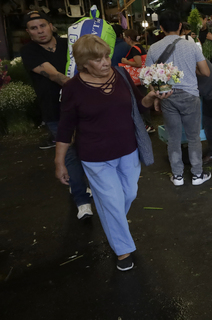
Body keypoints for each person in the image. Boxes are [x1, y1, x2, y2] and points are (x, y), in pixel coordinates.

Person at [55, 34, 168, 271]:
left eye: (106, 56)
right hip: (95, 156)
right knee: (113, 201)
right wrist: (60, 161)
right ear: (84, 63)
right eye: (98, 59)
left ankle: (110, 216)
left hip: (128, 149)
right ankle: (123, 250)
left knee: (128, 194)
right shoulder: (73, 88)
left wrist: (151, 96)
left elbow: (140, 105)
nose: (106, 62)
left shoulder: (122, 75)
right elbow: (65, 127)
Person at [20, 11, 93, 220]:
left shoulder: (69, 44)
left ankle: (81, 186)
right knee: (69, 155)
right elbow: (54, 75)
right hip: (55, 112)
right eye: (33, 28)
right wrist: (88, 88)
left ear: (51, 25)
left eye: (42, 25)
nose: (39, 31)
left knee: (87, 150)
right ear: (28, 32)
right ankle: (82, 201)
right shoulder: (29, 51)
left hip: (82, 109)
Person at [146, 10, 212, 186]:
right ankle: (197, 175)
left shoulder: (153, 48)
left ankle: (178, 176)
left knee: (173, 138)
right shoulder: (191, 46)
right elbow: (205, 72)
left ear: (161, 28)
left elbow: (149, 77)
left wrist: (156, 97)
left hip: (167, 95)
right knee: (193, 137)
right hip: (190, 95)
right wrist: (192, 69)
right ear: (181, 26)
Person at [121, 29, 155, 133]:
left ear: (129, 38)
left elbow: (138, 63)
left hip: (137, 79)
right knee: (143, 99)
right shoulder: (140, 47)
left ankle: (147, 125)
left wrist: (125, 61)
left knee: (141, 101)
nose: (124, 39)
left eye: (125, 37)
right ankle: (148, 125)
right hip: (142, 78)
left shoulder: (134, 49)